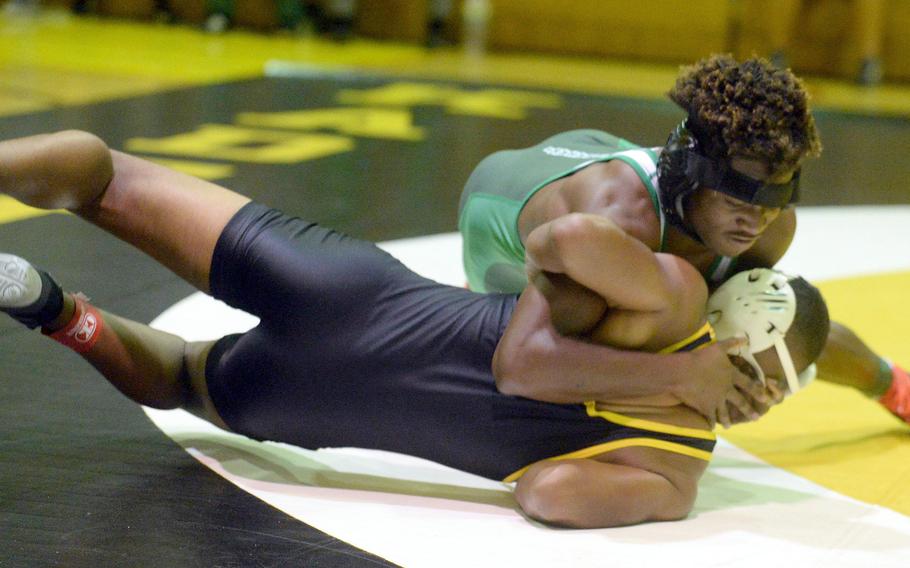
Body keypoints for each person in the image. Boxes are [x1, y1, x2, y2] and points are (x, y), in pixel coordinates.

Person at [0, 130, 827, 528]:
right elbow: (546, 496)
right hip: (325, 408)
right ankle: (48, 306)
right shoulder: (671, 478)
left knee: (106, 178)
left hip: (352, 294)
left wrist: (675, 368)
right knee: (178, 376)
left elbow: (559, 250)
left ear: (735, 315)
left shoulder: (676, 298)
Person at [458, 53, 909, 425]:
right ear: (689, 174)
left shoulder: (770, 227)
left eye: (772, 201)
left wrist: (756, 381)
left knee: (772, 324)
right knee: (616, 328)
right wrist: (683, 375)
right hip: (497, 210)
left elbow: (748, 328)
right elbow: (526, 367)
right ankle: (478, 305)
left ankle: (896, 387)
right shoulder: (614, 220)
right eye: (737, 201)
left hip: (600, 158)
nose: (753, 223)